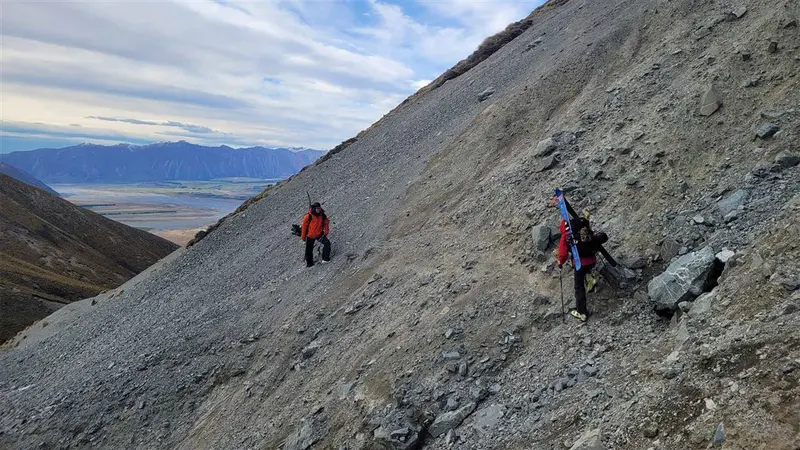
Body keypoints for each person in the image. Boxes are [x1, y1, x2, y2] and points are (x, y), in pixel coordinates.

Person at [555, 217, 608, 322]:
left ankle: (582, 312)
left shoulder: (567, 236)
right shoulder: (585, 229)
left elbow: (562, 254)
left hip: (580, 263)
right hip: (592, 260)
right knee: (586, 270)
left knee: (579, 287)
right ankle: (590, 279)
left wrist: (560, 263)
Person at [300, 202, 331, 267]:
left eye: (319, 208)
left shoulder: (322, 215)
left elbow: (326, 222)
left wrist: (326, 232)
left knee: (327, 244)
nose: (319, 209)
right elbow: (304, 227)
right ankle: (310, 264)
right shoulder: (308, 216)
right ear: (314, 208)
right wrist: (303, 237)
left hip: (319, 234)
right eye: (317, 208)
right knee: (309, 250)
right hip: (310, 235)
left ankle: (325, 259)